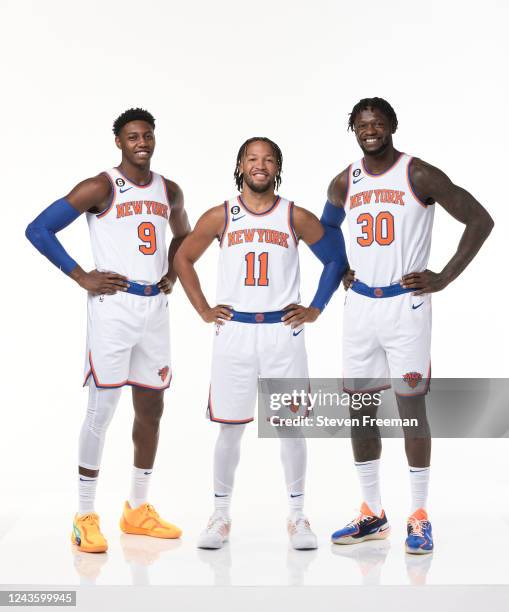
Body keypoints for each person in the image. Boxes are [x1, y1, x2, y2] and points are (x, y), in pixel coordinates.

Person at [323, 97, 493, 554]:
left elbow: (480, 218)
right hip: (360, 307)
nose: (370, 129)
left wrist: (445, 276)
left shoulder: (418, 173)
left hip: (405, 306)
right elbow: (325, 228)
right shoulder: (345, 180)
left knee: (411, 411)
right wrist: (339, 266)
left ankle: (418, 515)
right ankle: (372, 513)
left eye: (378, 122)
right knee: (360, 410)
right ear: (353, 130)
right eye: (362, 124)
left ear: (392, 125)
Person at [26, 108, 190, 553]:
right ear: (118, 141)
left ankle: (137, 510)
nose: (142, 142)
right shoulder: (100, 186)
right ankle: (84, 516)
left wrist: (172, 274)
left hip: (154, 309)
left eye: (148, 135)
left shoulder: (169, 189)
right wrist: (81, 276)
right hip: (113, 308)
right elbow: (37, 229)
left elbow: (185, 238)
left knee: (151, 409)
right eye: (133, 136)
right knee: (102, 412)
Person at [174, 137, 346, 550]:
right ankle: (219, 515)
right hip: (234, 332)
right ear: (240, 165)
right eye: (252, 158)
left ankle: (298, 516)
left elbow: (336, 259)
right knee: (229, 430)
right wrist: (202, 308)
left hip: (280, 333)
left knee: (290, 429)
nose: (260, 165)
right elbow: (182, 258)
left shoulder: (294, 215)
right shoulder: (221, 215)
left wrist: (315, 308)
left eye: (268, 159)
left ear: (277, 168)